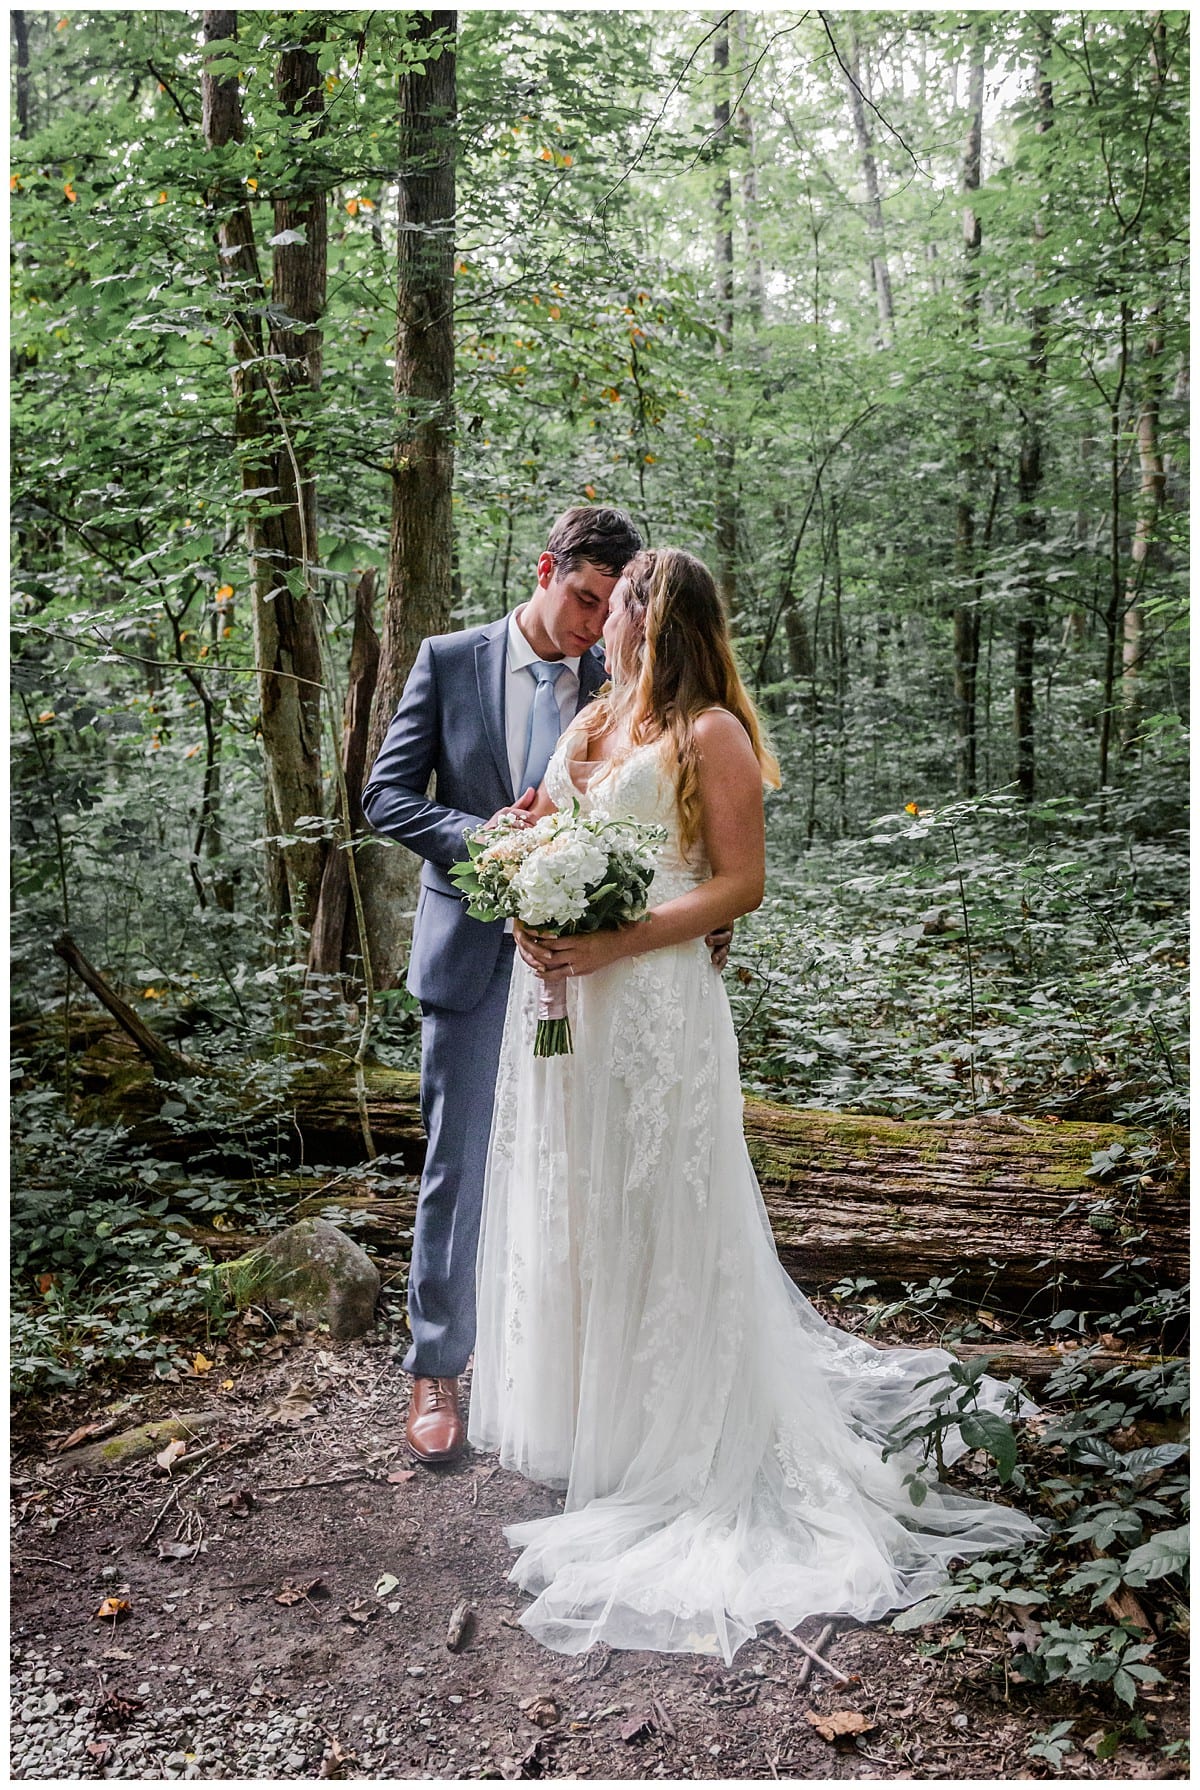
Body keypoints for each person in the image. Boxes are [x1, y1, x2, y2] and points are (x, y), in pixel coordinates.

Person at [467, 545, 1041, 1662]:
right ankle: (598, 1423)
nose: (609, 617)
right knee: (578, 1195)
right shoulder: (590, 722)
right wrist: (520, 871)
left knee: (663, 1202)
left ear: (654, 614)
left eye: (623, 599)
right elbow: (542, 819)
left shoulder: (711, 733)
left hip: (658, 1001)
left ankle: (680, 1432)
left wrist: (620, 936)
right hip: (567, 1005)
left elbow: (739, 883)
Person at [360, 507, 731, 1467]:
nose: (592, 622)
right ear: (545, 570)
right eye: (581, 597)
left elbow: (677, 805)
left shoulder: (625, 670)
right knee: (462, 1160)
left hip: (602, 977)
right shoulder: (449, 660)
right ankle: (436, 1369)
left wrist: (689, 911)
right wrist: (488, 840)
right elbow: (385, 796)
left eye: (611, 606)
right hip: (478, 955)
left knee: (584, 1168)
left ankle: (585, 1383)